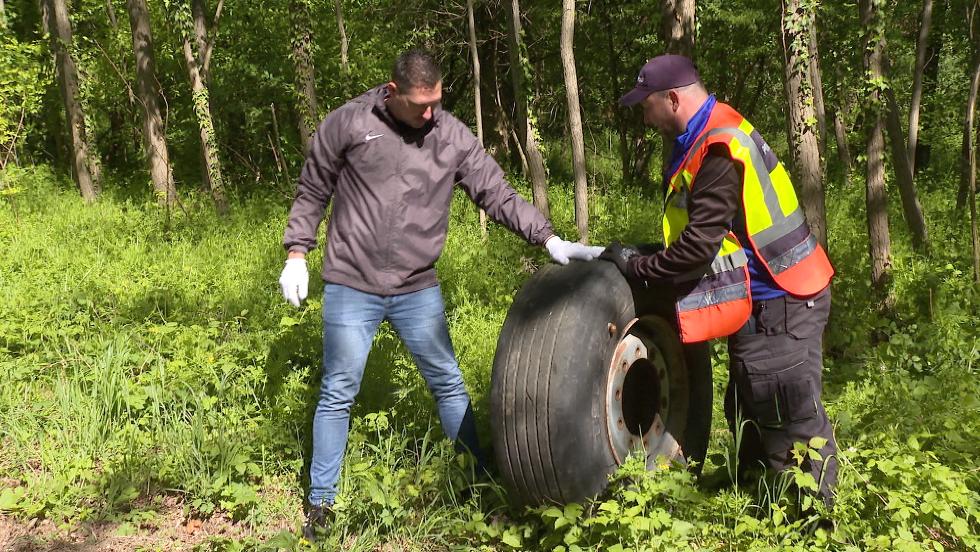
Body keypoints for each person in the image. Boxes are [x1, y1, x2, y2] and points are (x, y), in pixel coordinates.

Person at [278, 49, 603, 539]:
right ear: (391, 93)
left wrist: (548, 238)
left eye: (436, 103)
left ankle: (478, 486)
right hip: (352, 282)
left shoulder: (449, 137)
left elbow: (496, 192)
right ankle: (321, 505)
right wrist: (297, 251)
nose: (429, 114)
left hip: (416, 288)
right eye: (419, 105)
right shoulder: (347, 123)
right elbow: (312, 189)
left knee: (449, 383)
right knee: (338, 392)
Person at [600, 54, 838, 507]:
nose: (643, 115)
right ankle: (750, 489)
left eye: (645, 104)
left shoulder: (718, 149)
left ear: (672, 99)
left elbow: (694, 251)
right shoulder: (706, 133)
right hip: (766, 298)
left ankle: (813, 520)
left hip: (783, 299)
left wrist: (636, 268)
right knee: (748, 402)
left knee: (788, 415)